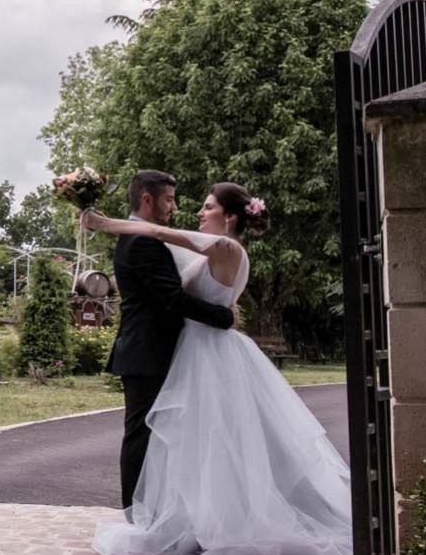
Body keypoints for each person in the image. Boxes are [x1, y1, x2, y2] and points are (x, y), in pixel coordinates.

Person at [84, 180, 353, 555]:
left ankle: (222, 519)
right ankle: (198, 515)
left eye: (208, 207)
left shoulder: (225, 247)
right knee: (203, 442)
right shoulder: (210, 253)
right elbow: (163, 269)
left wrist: (104, 223)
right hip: (196, 349)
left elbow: (159, 233)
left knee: (214, 440)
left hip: (208, 351)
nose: (198, 212)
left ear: (229, 218)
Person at [98, 170, 236, 514]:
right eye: (169, 199)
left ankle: (152, 511)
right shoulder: (143, 241)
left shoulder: (140, 237)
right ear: (148, 199)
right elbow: (172, 299)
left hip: (150, 350)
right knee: (142, 437)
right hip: (148, 351)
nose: (174, 207)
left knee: (153, 436)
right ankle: (136, 514)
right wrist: (224, 318)